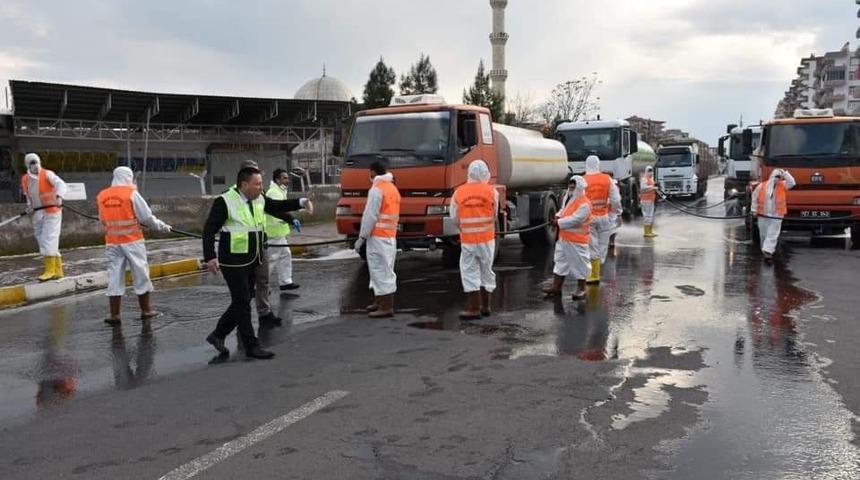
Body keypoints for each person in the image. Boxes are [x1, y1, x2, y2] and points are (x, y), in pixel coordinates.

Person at [203, 166, 309, 360]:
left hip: (254, 257)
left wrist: (300, 202)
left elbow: (276, 206)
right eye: (257, 184)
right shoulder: (225, 201)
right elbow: (209, 230)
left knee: (245, 298)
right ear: (244, 184)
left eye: (261, 184)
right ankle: (251, 346)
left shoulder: (259, 199)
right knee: (242, 302)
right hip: (233, 260)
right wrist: (210, 256)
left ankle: (218, 334)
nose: (261, 188)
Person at [97, 167, 172, 325]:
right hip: (132, 241)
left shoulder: (102, 195)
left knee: (114, 276)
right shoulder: (131, 193)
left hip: (112, 242)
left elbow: (103, 220)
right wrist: (162, 226)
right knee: (140, 274)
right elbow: (146, 217)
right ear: (128, 177)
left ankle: (115, 314)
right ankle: (146, 310)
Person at [450, 160, 498, 319]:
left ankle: (473, 308)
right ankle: (486, 306)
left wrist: (464, 227)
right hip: (487, 240)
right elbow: (495, 215)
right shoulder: (492, 191)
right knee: (486, 270)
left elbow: (454, 217)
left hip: (469, 240)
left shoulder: (459, 192)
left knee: (470, 272)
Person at [355, 161, 401, 318]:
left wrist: (361, 237)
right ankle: (379, 301)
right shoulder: (392, 188)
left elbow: (370, 216)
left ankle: (386, 306)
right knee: (381, 270)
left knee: (380, 271)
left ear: (373, 172)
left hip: (378, 237)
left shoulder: (377, 189)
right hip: (389, 236)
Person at [543, 175, 592, 300]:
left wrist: (558, 223)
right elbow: (564, 210)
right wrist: (557, 216)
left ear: (579, 187)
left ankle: (581, 289)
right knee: (560, 262)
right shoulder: (568, 197)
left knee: (580, 264)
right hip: (563, 238)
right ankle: (556, 287)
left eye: (573, 186)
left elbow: (576, 219)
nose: (571, 188)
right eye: (570, 185)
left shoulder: (585, 203)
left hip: (577, 240)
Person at [21, 153, 68, 281]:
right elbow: (28, 195)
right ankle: (58, 270)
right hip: (38, 212)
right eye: (32, 163)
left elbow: (61, 184)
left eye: (36, 162)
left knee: (49, 238)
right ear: (27, 165)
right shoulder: (25, 179)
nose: (35, 165)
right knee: (41, 239)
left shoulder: (47, 174)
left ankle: (50, 270)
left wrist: (59, 196)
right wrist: (30, 206)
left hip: (52, 211)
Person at [584, 155, 622, 284]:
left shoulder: (583, 180)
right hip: (604, 217)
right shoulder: (607, 179)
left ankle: (594, 274)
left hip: (589, 218)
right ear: (598, 164)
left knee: (592, 245)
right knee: (602, 244)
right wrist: (617, 212)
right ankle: (597, 270)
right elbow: (615, 199)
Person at [265, 168, 304, 292]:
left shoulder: (280, 191)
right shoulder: (274, 192)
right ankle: (261, 285)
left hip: (279, 232)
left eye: (287, 178)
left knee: (285, 255)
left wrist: (291, 219)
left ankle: (285, 282)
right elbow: (278, 209)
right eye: (284, 178)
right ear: (277, 180)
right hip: (273, 232)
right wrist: (291, 219)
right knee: (271, 259)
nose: (287, 180)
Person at [751, 168, 795, 261]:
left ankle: (768, 251)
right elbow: (754, 197)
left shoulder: (782, 185)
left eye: (779, 177)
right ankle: (764, 250)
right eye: (776, 176)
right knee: (763, 234)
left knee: (772, 233)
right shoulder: (762, 186)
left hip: (777, 214)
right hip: (763, 214)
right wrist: (754, 210)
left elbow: (792, 183)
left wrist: (785, 173)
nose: (777, 179)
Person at [640, 165, 658, 238]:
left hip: (651, 200)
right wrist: (653, 187)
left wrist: (654, 188)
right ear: (646, 171)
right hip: (645, 200)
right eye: (649, 171)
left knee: (651, 216)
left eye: (651, 171)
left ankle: (650, 231)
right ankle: (646, 232)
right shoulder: (644, 179)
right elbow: (643, 187)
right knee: (647, 216)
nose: (651, 172)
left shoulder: (651, 179)